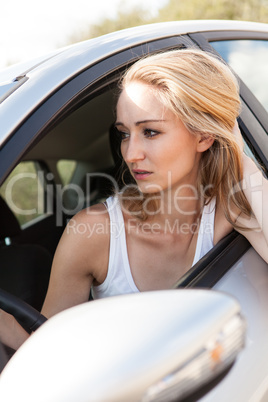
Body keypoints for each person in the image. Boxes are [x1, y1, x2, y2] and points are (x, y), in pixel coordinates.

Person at [1, 48, 267, 350]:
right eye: (124, 134)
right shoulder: (93, 233)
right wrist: (8, 324)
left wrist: (242, 160)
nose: (130, 153)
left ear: (204, 136)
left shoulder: (228, 212)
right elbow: (47, 352)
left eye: (150, 132)